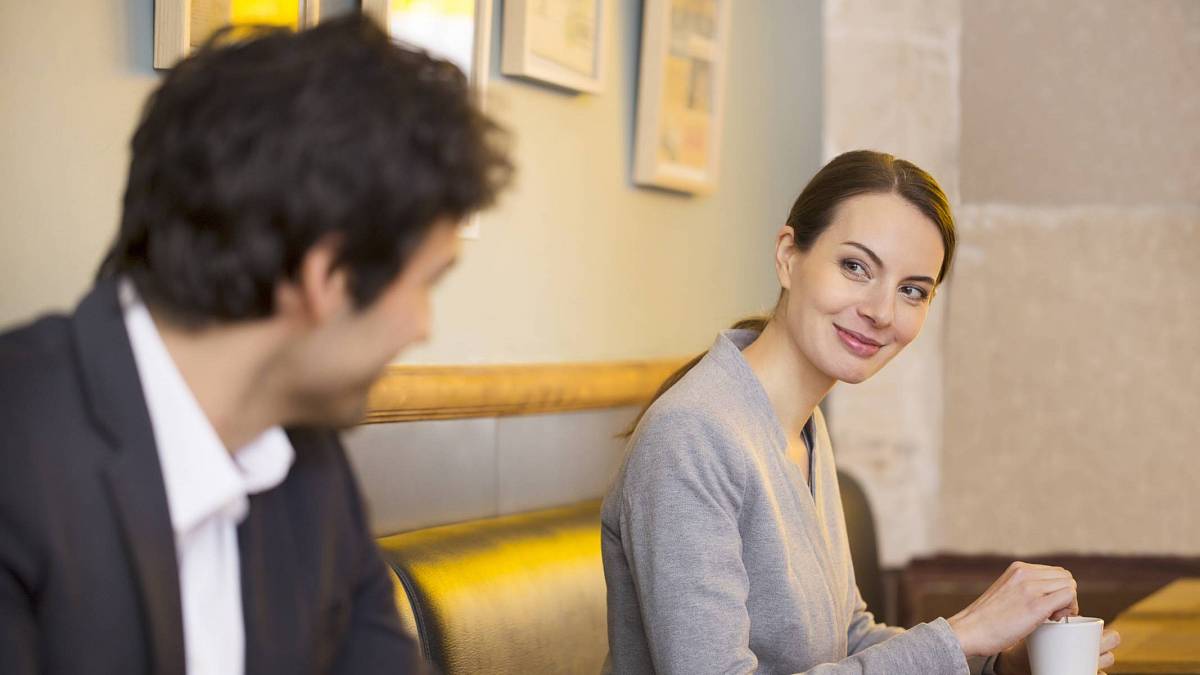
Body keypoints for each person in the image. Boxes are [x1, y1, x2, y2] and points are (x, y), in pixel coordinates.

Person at [0, 14, 511, 675]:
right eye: (426, 284)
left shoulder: (308, 461)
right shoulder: (18, 449)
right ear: (325, 276)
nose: (424, 326)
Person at [600, 150, 1119, 675]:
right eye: (856, 267)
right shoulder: (693, 435)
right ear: (787, 255)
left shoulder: (801, 428)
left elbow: (846, 640)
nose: (881, 311)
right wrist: (961, 635)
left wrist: (1002, 664)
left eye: (912, 290)